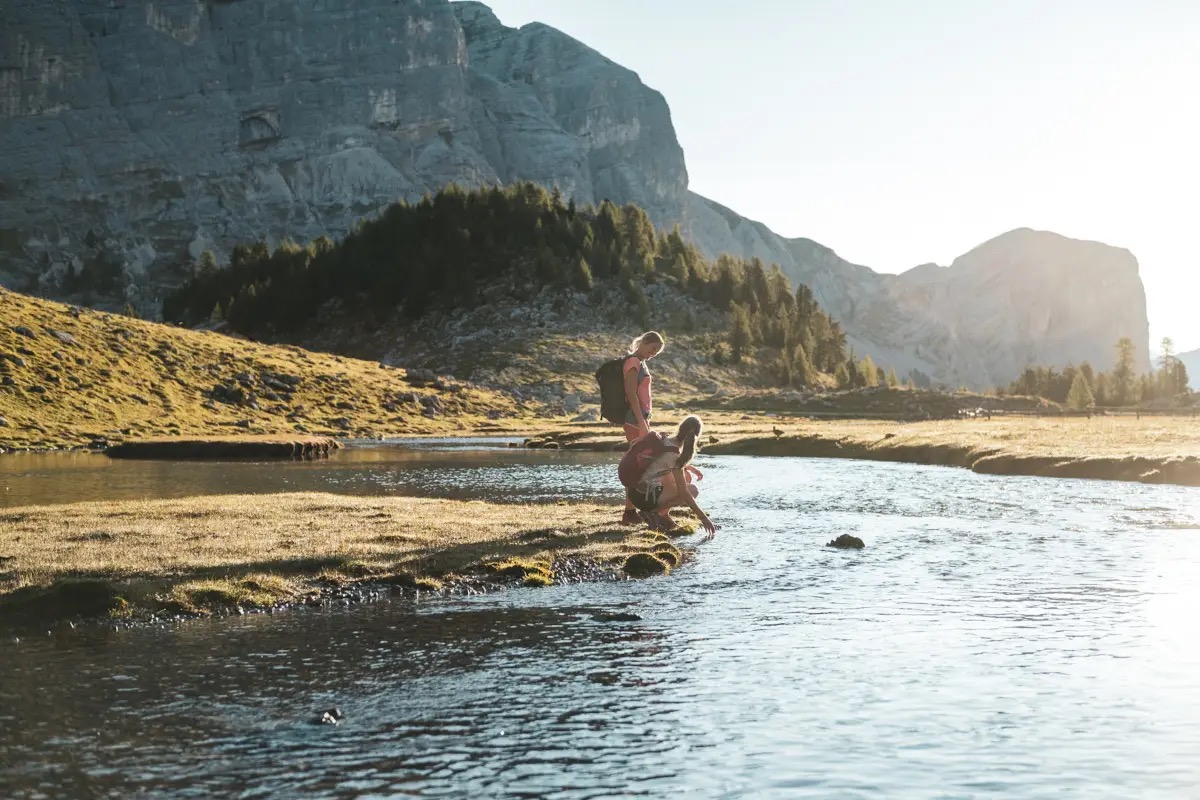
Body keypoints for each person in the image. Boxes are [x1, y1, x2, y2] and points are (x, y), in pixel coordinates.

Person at [625, 415, 717, 539]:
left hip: (633, 492)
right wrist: (703, 518)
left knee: (686, 476)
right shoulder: (674, 455)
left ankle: (663, 515)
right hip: (643, 498)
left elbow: (659, 463)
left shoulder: (664, 439)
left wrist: (688, 467)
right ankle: (652, 512)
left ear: (680, 428)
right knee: (692, 490)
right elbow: (684, 493)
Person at [619, 331, 664, 524]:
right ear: (644, 342)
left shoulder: (641, 363)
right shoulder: (633, 362)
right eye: (652, 349)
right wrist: (641, 422)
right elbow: (631, 395)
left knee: (640, 465)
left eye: (656, 352)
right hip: (635, 420)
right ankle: (630, 513)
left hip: (641, 419)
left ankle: (633, 510)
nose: (653, 354)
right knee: (635, 466)